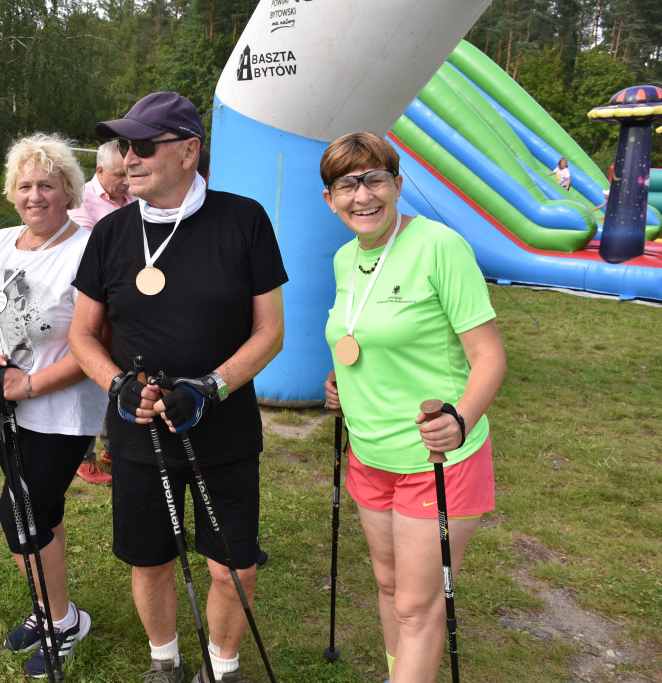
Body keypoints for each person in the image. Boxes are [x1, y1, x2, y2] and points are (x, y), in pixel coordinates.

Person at [69, 91, 288, 683]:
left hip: (224, 427)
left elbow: (271, 333)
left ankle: (223, 667)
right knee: (151, 559)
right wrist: (116, 386)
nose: (126, 159)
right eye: (122, 147)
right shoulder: (111, 232)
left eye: (142, 146)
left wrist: (210, 388)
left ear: (190, 150)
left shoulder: (243, 219)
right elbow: (82, 336)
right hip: (140, 432)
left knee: (233, 566)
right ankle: (163, 661)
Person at [320, 132, 506, 683]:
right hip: (369, 452)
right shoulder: (344, 258)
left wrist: (460, 418)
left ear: (397, 185)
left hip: (437, 460)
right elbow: (361, 339)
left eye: (374, 178)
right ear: (329, 198)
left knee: (417, 608)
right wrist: (343, 383)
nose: (362, 195)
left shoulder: (439, 246)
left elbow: (489, 357)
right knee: (389, 586)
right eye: (346, 184)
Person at [0, 132, 107, 678]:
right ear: (11, 192)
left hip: (60, 413)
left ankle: (64, 621)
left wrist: (33, 384)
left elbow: (99, 340)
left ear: (68, 189)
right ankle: (49, 609)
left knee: (18, 515)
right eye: (25, 185)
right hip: (2, 408)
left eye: (47, 184)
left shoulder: (88, 247)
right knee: (45, 513)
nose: (35, 195)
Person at [68, 140, 137, 484]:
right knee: (89, 377)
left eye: (128, 173)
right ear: (99, 172)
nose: (127, 181)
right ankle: (83, 457)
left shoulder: (133, 198)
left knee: (121, 372)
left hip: (122, 305)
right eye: (119, 175)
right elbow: (93, 256)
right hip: (90, 305)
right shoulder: (82, 202)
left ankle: (112, 446)